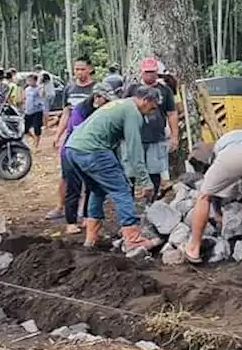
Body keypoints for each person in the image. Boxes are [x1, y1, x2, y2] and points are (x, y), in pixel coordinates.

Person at [64, 85, 163, 253]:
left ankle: (91, 238)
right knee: (122, 189)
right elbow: (134, 149)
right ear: (145, 100)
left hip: (73, 149)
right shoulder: (133, 112)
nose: (153, 111)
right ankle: (133, 239)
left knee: (97, 189)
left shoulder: (120, 104)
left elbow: (114, 142)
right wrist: (145, 181)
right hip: (93, 150)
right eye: (153, 107)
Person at [182, 128, 242, 264]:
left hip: (231, 155)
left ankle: (193, 249)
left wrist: (218, 214)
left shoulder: (217, 148)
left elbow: (216, 192)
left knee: (204, 196)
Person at [58, 82, 112, 233]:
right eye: (105, 100)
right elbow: (78, 131)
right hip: (72, 151)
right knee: (73, 186)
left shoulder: (103, 111)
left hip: (91, 152)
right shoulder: (80, 109)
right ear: (97, 97)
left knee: (91, 185)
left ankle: (88, 217)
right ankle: (71, 221)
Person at [123, 56, 179, 199]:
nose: (149, 75)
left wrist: (174, 136)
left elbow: (172, 113)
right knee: (130, 172)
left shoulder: (164, 90)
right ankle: (129, 202)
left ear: (157, 72)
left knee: (155, 171)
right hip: (134, 137)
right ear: (141, 73)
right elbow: (123, 109)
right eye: (146, 72)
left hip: (157, 137)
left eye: (152, 72)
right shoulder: (133, 89)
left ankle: (152, 202)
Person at [49, 58, 97, 219]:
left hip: (90, 137)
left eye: (82, 69)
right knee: (66, 174)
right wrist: (58, 135)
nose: (79, 73)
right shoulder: (69, 89)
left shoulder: (96, 89)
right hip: (71, 136)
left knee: (88, 176)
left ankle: (86, 212)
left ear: (90, 69)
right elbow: (66, 113)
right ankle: (60, 206)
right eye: (76, 69)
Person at [23, 72, 47, 149]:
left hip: (37, 111)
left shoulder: (38, 88)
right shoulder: (27, 89)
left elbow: (42, 95)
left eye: (31, 80)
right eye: (28, 80)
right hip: (28, 111)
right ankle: (33, 138)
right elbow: (25, 99)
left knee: (37, 128)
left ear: (35, 81)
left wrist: (42, 86)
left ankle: (36, 145)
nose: (29, 82)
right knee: (25, 129)